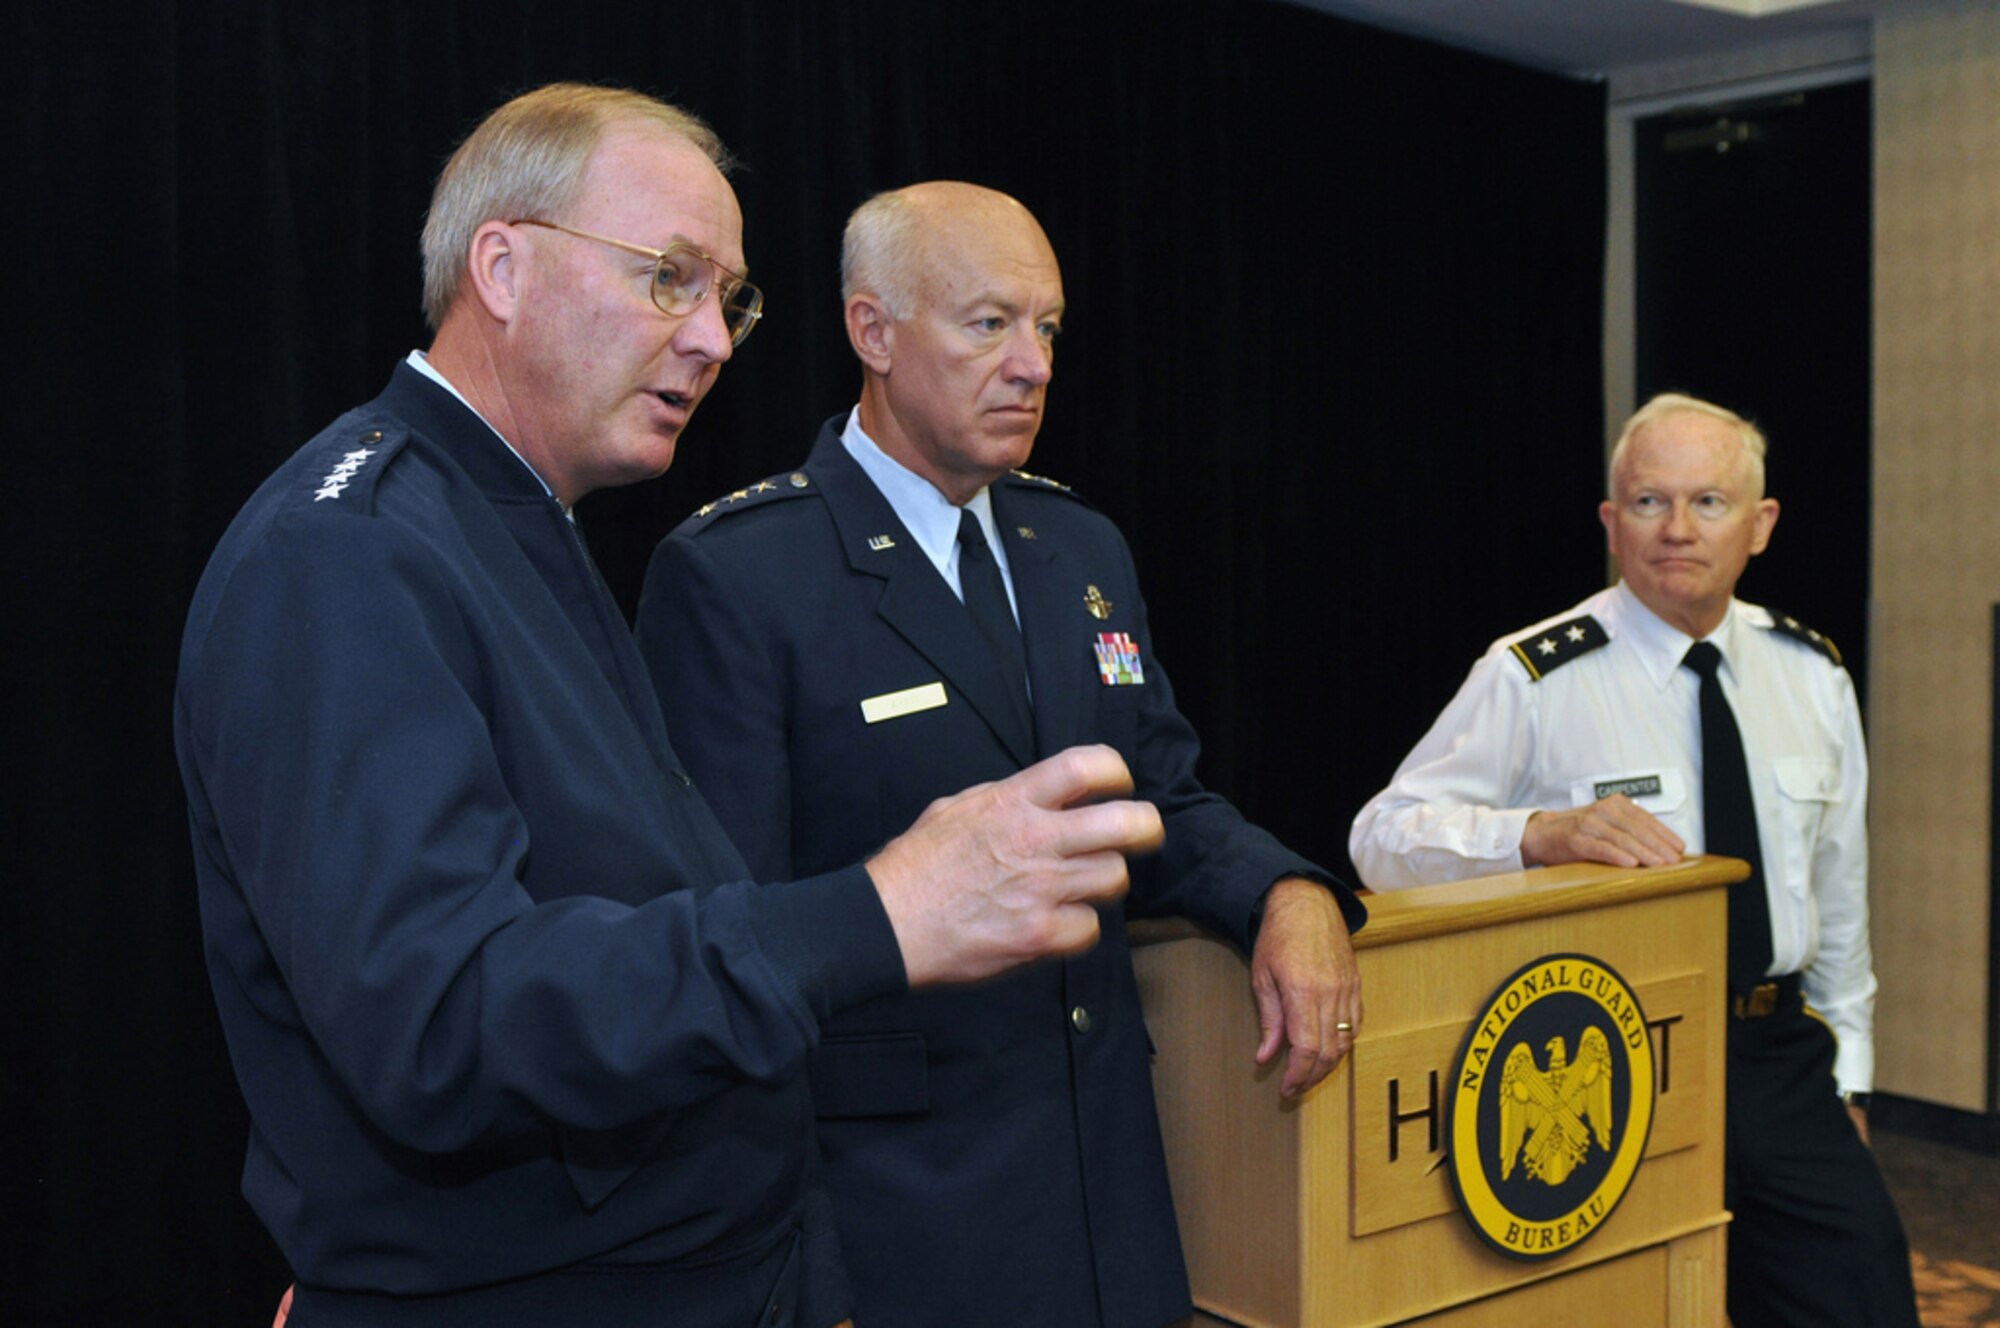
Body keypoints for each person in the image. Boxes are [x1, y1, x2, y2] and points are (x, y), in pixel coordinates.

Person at [175, 87, 1167, 1328]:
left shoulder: (517, 528)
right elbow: (442, 1022)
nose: (710, 338)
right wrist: (882, 909)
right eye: (668, 279)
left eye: (728, 299)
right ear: (502, 268)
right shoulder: (348, 553)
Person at [634, 181, 1367, 1328]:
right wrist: (795, 1281)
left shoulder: (1078, 545)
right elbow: (730, 949)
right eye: (988, 324)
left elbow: (1153, 796)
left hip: (1106, 1208)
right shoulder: (740, 574)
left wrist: (1283, 889)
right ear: (872, 331)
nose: (1031, 365)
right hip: (896, 1229)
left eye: (1048, 328)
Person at [1349, 393, 1918, 1327]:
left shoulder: (1812, 675)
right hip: (1616, 1060)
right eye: (1651, 502)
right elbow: (1382, 835)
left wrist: (1850, 1076)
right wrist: (1535, 834)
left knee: (1862, 1294)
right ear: (1613, 524)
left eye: (1710, 502)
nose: (1678, 528)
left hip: (1780, 1058)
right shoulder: (1534, 674)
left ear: (1761, 525)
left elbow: (1839, 898)